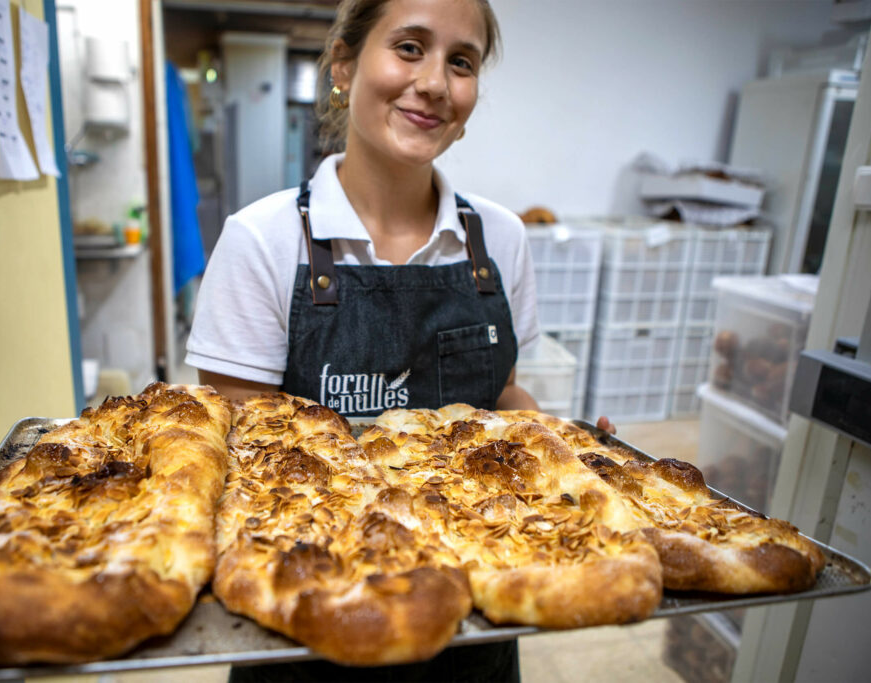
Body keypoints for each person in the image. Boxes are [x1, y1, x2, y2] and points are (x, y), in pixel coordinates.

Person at [186, 0, 611, 678]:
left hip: (475, 610)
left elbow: (503, 395)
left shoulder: (498, 238)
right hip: (309, 609)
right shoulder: (262, 239)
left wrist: (563, 455)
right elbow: (242, 455)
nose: (436, 83)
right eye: (409, 47)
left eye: (461, 62)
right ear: (344, 65)